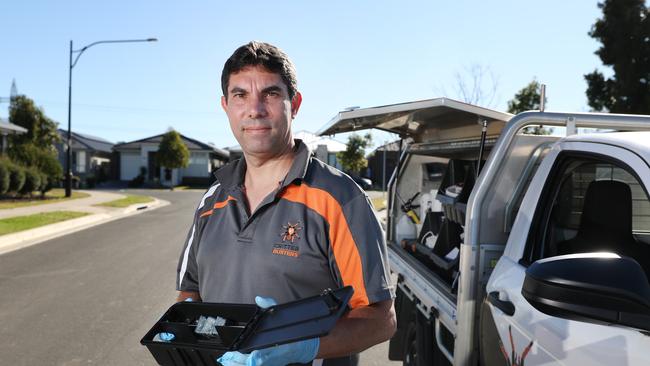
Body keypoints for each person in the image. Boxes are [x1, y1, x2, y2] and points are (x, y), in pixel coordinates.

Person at [176, 41, 395, 366]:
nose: (255, 109)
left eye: (271, 94)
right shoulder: (212, 200)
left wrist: (304, 347)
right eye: (240, 95)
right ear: (225, 106)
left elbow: (381, 320)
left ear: (295, 102)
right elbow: (189, 291)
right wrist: (185, 334)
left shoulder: (339, 199)